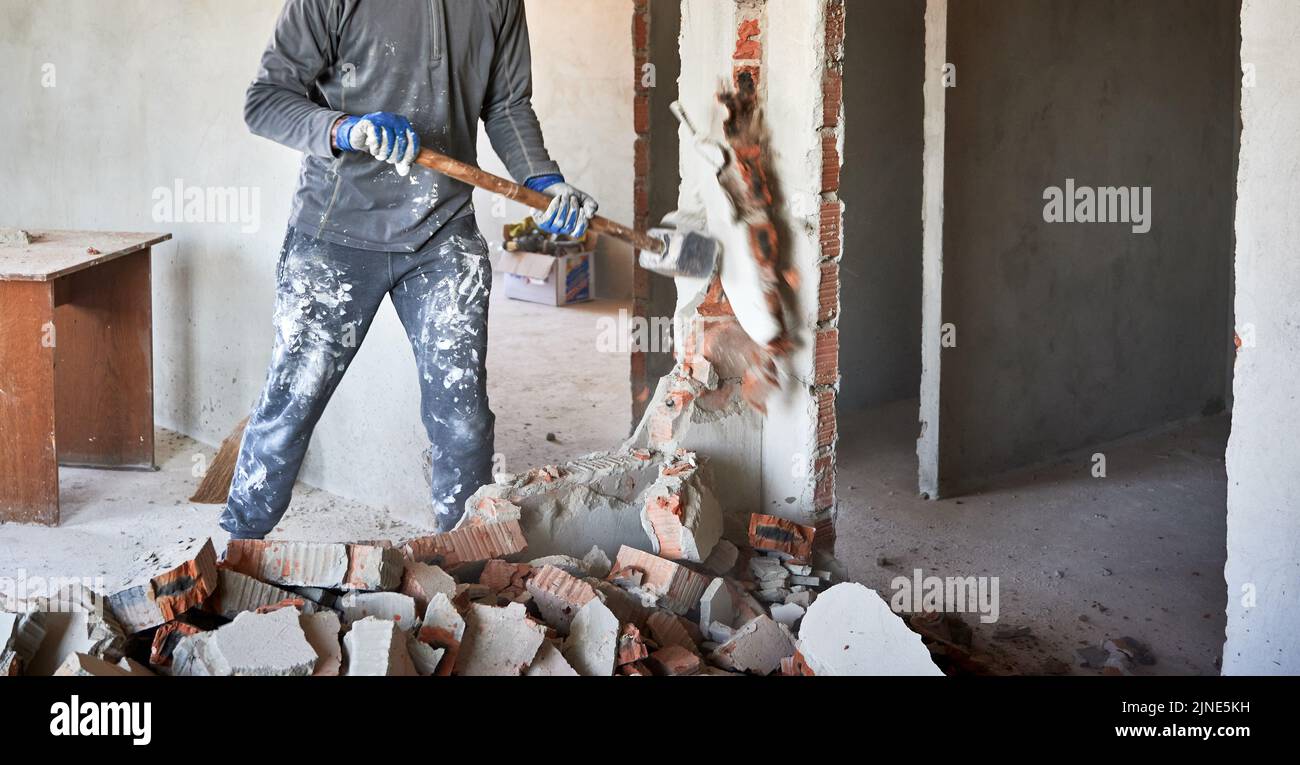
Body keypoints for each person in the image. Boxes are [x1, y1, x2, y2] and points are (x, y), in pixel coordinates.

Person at [219, 0, 597, 539]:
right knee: (290, 408)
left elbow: (508, 103)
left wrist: (542, 178)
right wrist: (347, 129)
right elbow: (265, 102)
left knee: (463, 421)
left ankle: (467, 561)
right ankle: (236, 554)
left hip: (444, 235)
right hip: (336, 235)